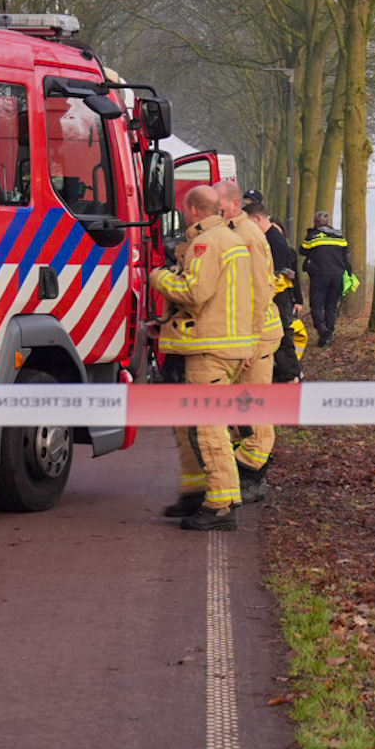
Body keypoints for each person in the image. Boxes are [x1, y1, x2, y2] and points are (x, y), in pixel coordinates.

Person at [150, 184, 257, 531]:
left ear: (194, 210)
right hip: (227, 343)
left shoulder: (205, 243)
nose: (182, 216)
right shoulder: (231, 240)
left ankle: (222, 505)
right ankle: (203, 495)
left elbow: (194, 292)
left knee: (209, 427)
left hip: (210, 347)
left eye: (184, 210)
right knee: (198, 424)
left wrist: (158, 277)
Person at [216, 180, 282, 502]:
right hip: (244, 335)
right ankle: (245, 468)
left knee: (254, 405)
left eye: (217, 201)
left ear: (232, 204)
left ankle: (255, 475)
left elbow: (259, 289)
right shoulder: (233, 232)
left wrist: (250, 342)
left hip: (256, 336)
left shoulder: (246, 235)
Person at [248, 198, 303, 385]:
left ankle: (291, 373)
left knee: (282, 334)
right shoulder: (272, 237)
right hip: (278, 293)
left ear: (256, 219)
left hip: (279, 295)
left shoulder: (272, 239)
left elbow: (276, 273)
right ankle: (287, 372)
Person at [300, 211, 352, 347]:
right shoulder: (339, 236)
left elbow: (302, 250)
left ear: (315, 222)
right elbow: (346, 255)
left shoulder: (313, 237)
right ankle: (328, 334)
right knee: (331, 306)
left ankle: (321, 327)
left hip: (319, 275)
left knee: (316, 305)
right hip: (337, 275)